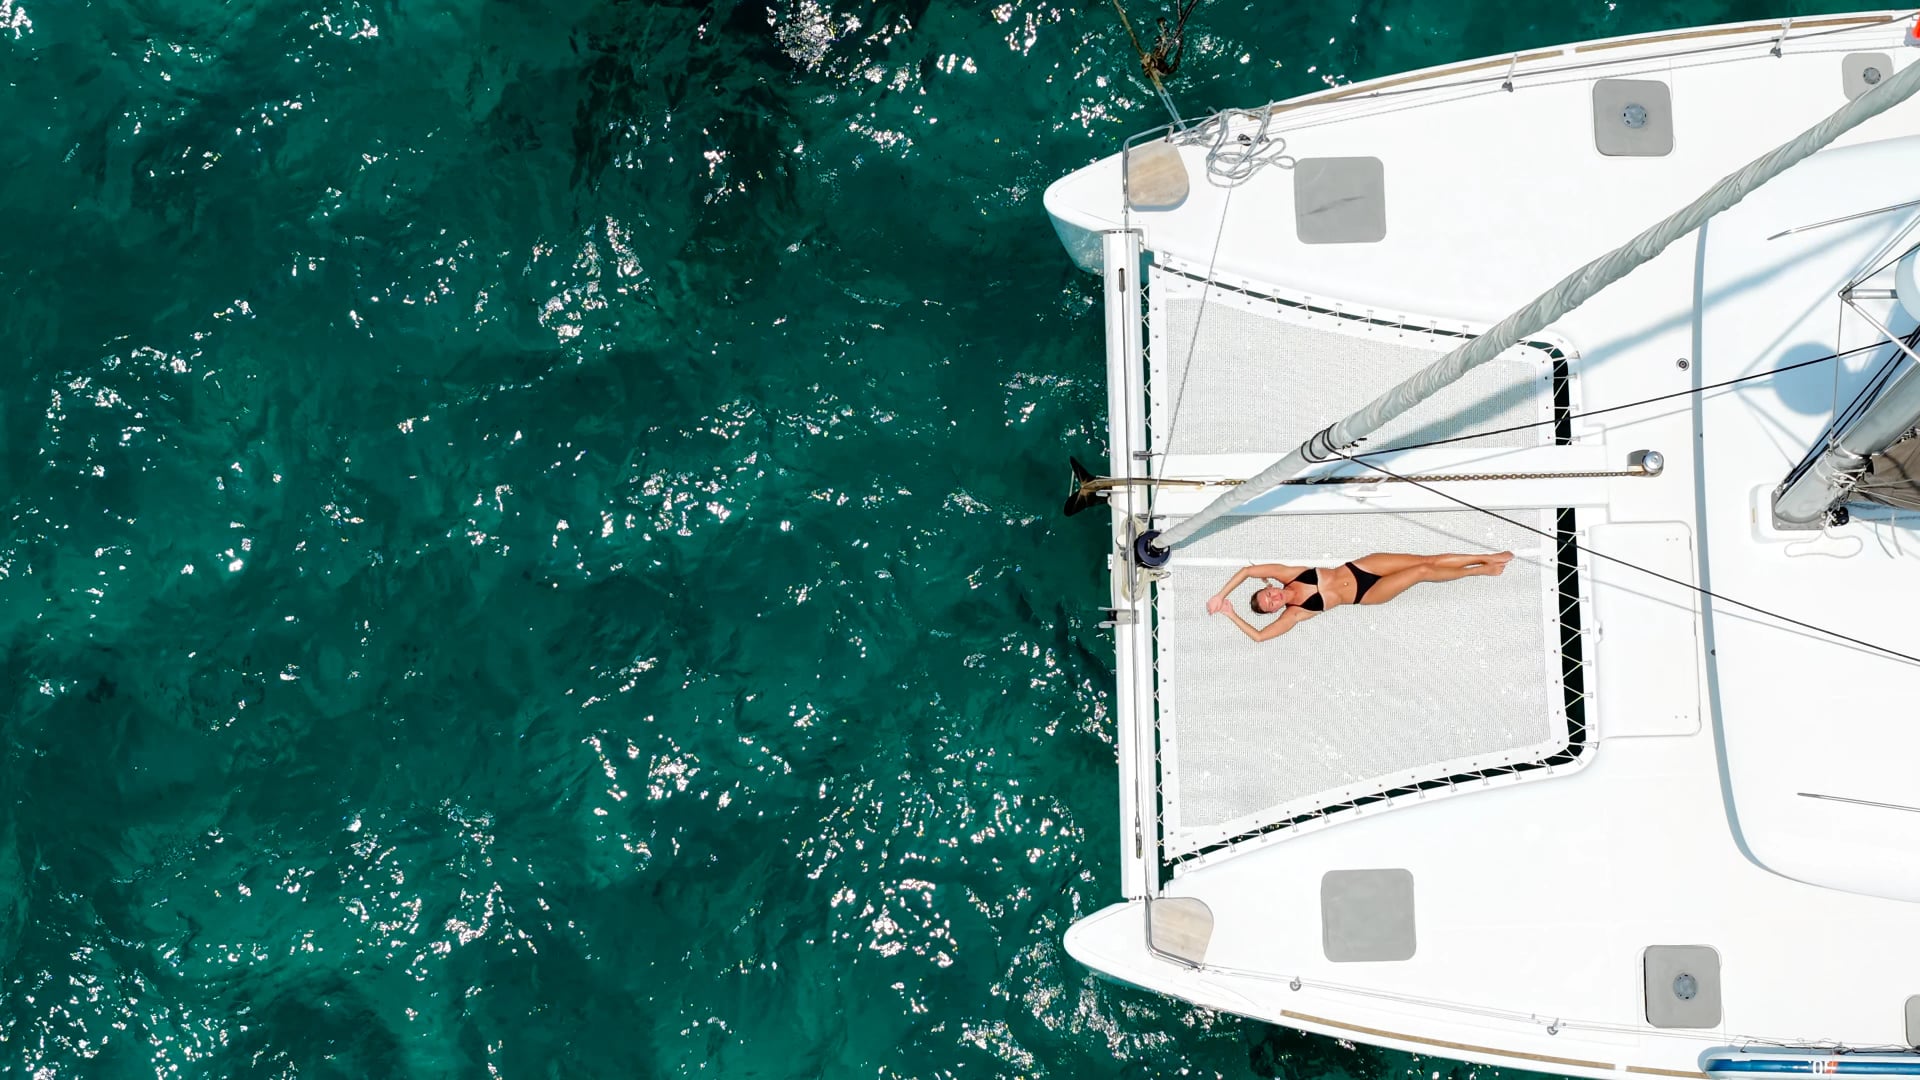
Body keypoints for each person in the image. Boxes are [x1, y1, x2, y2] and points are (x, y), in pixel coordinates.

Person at [1205, 551, 1515, 643]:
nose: (1273, 598)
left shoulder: (1288, 573)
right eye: (1270, 604)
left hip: (1360, 567)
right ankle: (1479, 571)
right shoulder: (1295, 613)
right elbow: (1259, 638)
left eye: (1267, 593)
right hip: (1368, 593)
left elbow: (1247, 570)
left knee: (1426, 560)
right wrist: (1230, 613)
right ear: (1275, 610)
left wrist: (1220, 595)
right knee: (1421, 573)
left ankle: (1485, 557)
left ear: (1268, 586)